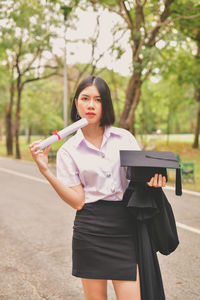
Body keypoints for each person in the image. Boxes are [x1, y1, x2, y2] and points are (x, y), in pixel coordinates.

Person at [29, 75, 166, 300]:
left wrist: (153, 184)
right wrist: (45, 171)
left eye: (98, 99)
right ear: (76, 103)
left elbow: (140, 181)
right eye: (85, 98)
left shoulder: (125, 138)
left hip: (126, 226)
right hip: (90, 230)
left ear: (106, 104)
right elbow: (77, 201)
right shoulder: (68, 150)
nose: (91, 105)